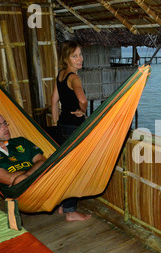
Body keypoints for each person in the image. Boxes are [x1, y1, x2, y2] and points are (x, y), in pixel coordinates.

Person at [51, 40, 90, 221]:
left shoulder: (60, 75)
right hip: (75, 128)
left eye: (80, 54)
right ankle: (71, 211)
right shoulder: (74, 78)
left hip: (62, 127)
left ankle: (61, 205)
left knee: (64, 167)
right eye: (74, 56)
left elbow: (53, 101)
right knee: (76, 169)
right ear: (66, 58)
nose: (79, 59)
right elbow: (82, 100)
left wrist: (56, 121)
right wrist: (83, 111)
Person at [0, 108, 46, 186]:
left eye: (4, 123)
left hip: (44, 182)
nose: (5, 128)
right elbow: (10, 179)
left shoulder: (21, 141)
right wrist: (37, 169)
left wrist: (26, 176)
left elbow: (42, 161)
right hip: (23, 192)